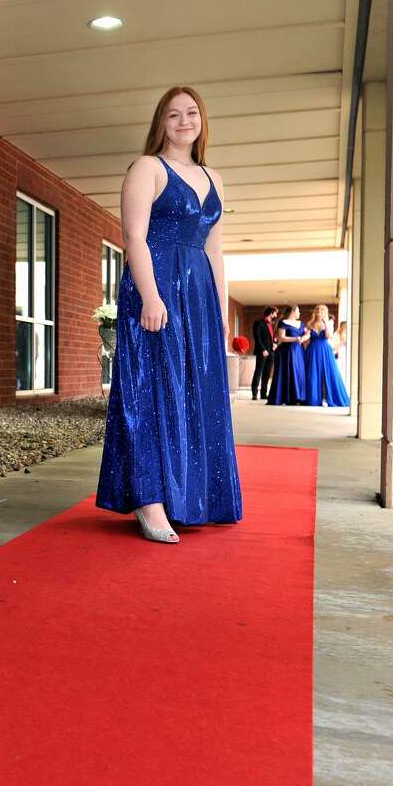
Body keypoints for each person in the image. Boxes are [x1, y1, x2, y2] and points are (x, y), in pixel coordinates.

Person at [96, 85, 243, 543]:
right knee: (153, 390)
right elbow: (134, 237)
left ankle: (191, 496)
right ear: (161, 122)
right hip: (155, 286)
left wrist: (219, 309)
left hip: (197, 293)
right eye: (174, 114)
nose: (184, 121)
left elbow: (214, 247)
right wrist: (151, 296)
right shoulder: (146, 168)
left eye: (192, 113)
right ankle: (150, 500)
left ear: (203, 120)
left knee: (196, 391)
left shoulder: (214, 178)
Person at [304, 305, 350, 407]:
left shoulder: (328, 323)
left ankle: (326, 398)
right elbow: (307, 338)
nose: (319, 311)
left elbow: (328, 336)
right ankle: (314, 397)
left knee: (326, 374)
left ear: (325, 312)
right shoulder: (310, 323)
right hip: (312, 350)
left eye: (321, 310)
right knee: (312, 374)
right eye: (317, 309)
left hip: (325, 350)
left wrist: (325, 323)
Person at [266, 305, 308, 405]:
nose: (299, 313)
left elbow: (307, 333)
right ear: (293, 311)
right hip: (287, 351)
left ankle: (298, 397)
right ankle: (287, 397)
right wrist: (295, 339)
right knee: (288, 372)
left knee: (299, 372)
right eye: (298, 311)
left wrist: (304, 337)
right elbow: (281, 337)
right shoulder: (283, 323)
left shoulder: (301, 323)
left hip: (298, 351)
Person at [251, 306, 278, 401]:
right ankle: (254, 394)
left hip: (271, 352)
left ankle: (263, 394)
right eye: (275, 313)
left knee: (267, 373)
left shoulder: (272, 324)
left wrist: (275, 343)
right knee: (258, 372)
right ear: (271, 313)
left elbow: (274, 337)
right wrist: (263, 349)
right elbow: (257, 337)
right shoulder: (259, 323)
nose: (276, 315)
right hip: (262, 352)